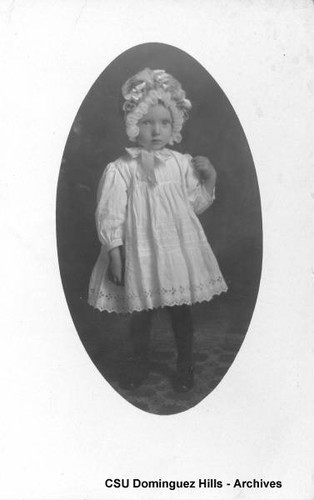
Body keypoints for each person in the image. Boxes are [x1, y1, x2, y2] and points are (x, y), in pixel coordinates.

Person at [88, 68, 227, 392]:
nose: (156, 130)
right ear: (134, 123)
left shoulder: (181, 163)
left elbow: (192, 207)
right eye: (148, 122)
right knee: (141, 314)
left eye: (164, 122)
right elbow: (110, 214)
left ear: (174, 125)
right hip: (140, 255)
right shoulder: (121, 169)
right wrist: (116, 255)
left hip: (174, 253)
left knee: (181, 314)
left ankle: (185, 366)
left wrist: (210, 180)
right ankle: (140, 365)